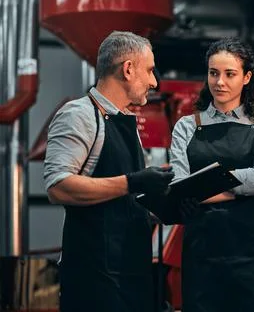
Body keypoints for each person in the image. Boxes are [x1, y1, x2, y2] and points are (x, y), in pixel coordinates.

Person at [43, 31, 174, 312]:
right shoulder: (78, 115)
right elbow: (59, 186)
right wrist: (132, 182)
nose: (154, 81)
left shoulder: (126, 122)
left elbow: (122, 202)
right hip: (95, 280)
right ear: (128, 69)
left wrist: (164, 208)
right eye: (150, 70)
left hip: (132, 274)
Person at [170, 37, 254, 312]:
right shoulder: (186, 126)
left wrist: (203, 192)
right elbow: (179, 185)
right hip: (203, 250)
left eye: (229, 74)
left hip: (253, 250)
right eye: (213, 73)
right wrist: (233, 184)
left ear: (246, 77)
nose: (219, 82)